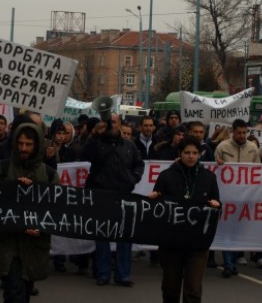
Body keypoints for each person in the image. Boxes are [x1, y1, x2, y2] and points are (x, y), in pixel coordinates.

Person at [0, 123, 60, 303]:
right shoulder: (1, 169)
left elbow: (56, 210)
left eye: (28, 144)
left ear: (37, 146)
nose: (23, 148)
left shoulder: (49, 175)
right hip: (8, 244)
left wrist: (41, 227)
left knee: (25, 291)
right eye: (20, 143)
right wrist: (12, 187)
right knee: (14, 291)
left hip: (34, 245)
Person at [149, 136, 220, 303]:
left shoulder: (208, 177)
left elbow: (217, 204)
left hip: (197, 244)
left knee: (193, 291)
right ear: (180, 153)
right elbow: (157, 207)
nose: (191, 156)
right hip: (171, 243)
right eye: (187, 152)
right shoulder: (166, 176)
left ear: (199, 155)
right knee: (170, 289)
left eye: (195, 153)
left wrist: (216, 204)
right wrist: (153, 199)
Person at [83, 113, 144, 286]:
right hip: (102, 194)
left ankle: (123, 274)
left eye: (114, 122)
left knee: (124, 237)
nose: (111, 125)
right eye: (108, 122)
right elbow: (85, 155)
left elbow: (139, 164)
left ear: (119, 124)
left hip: (123, 195)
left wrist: (134, 179)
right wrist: (95, 135)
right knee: (102, 236)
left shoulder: (129, 145)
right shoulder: (97, 143)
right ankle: (103, 273)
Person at [214, 118, 262, 277]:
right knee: (228, 229)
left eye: (244, 132)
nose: (242, 135)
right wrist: (218, 163)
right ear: (233, 132)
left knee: (239, 231)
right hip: (227, 196)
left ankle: (233, 262)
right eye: (239, 132)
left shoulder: (253, 148)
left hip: (246, 196)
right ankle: (228, 264)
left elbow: (258, 172)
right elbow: (214, 167)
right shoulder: (222, 147)